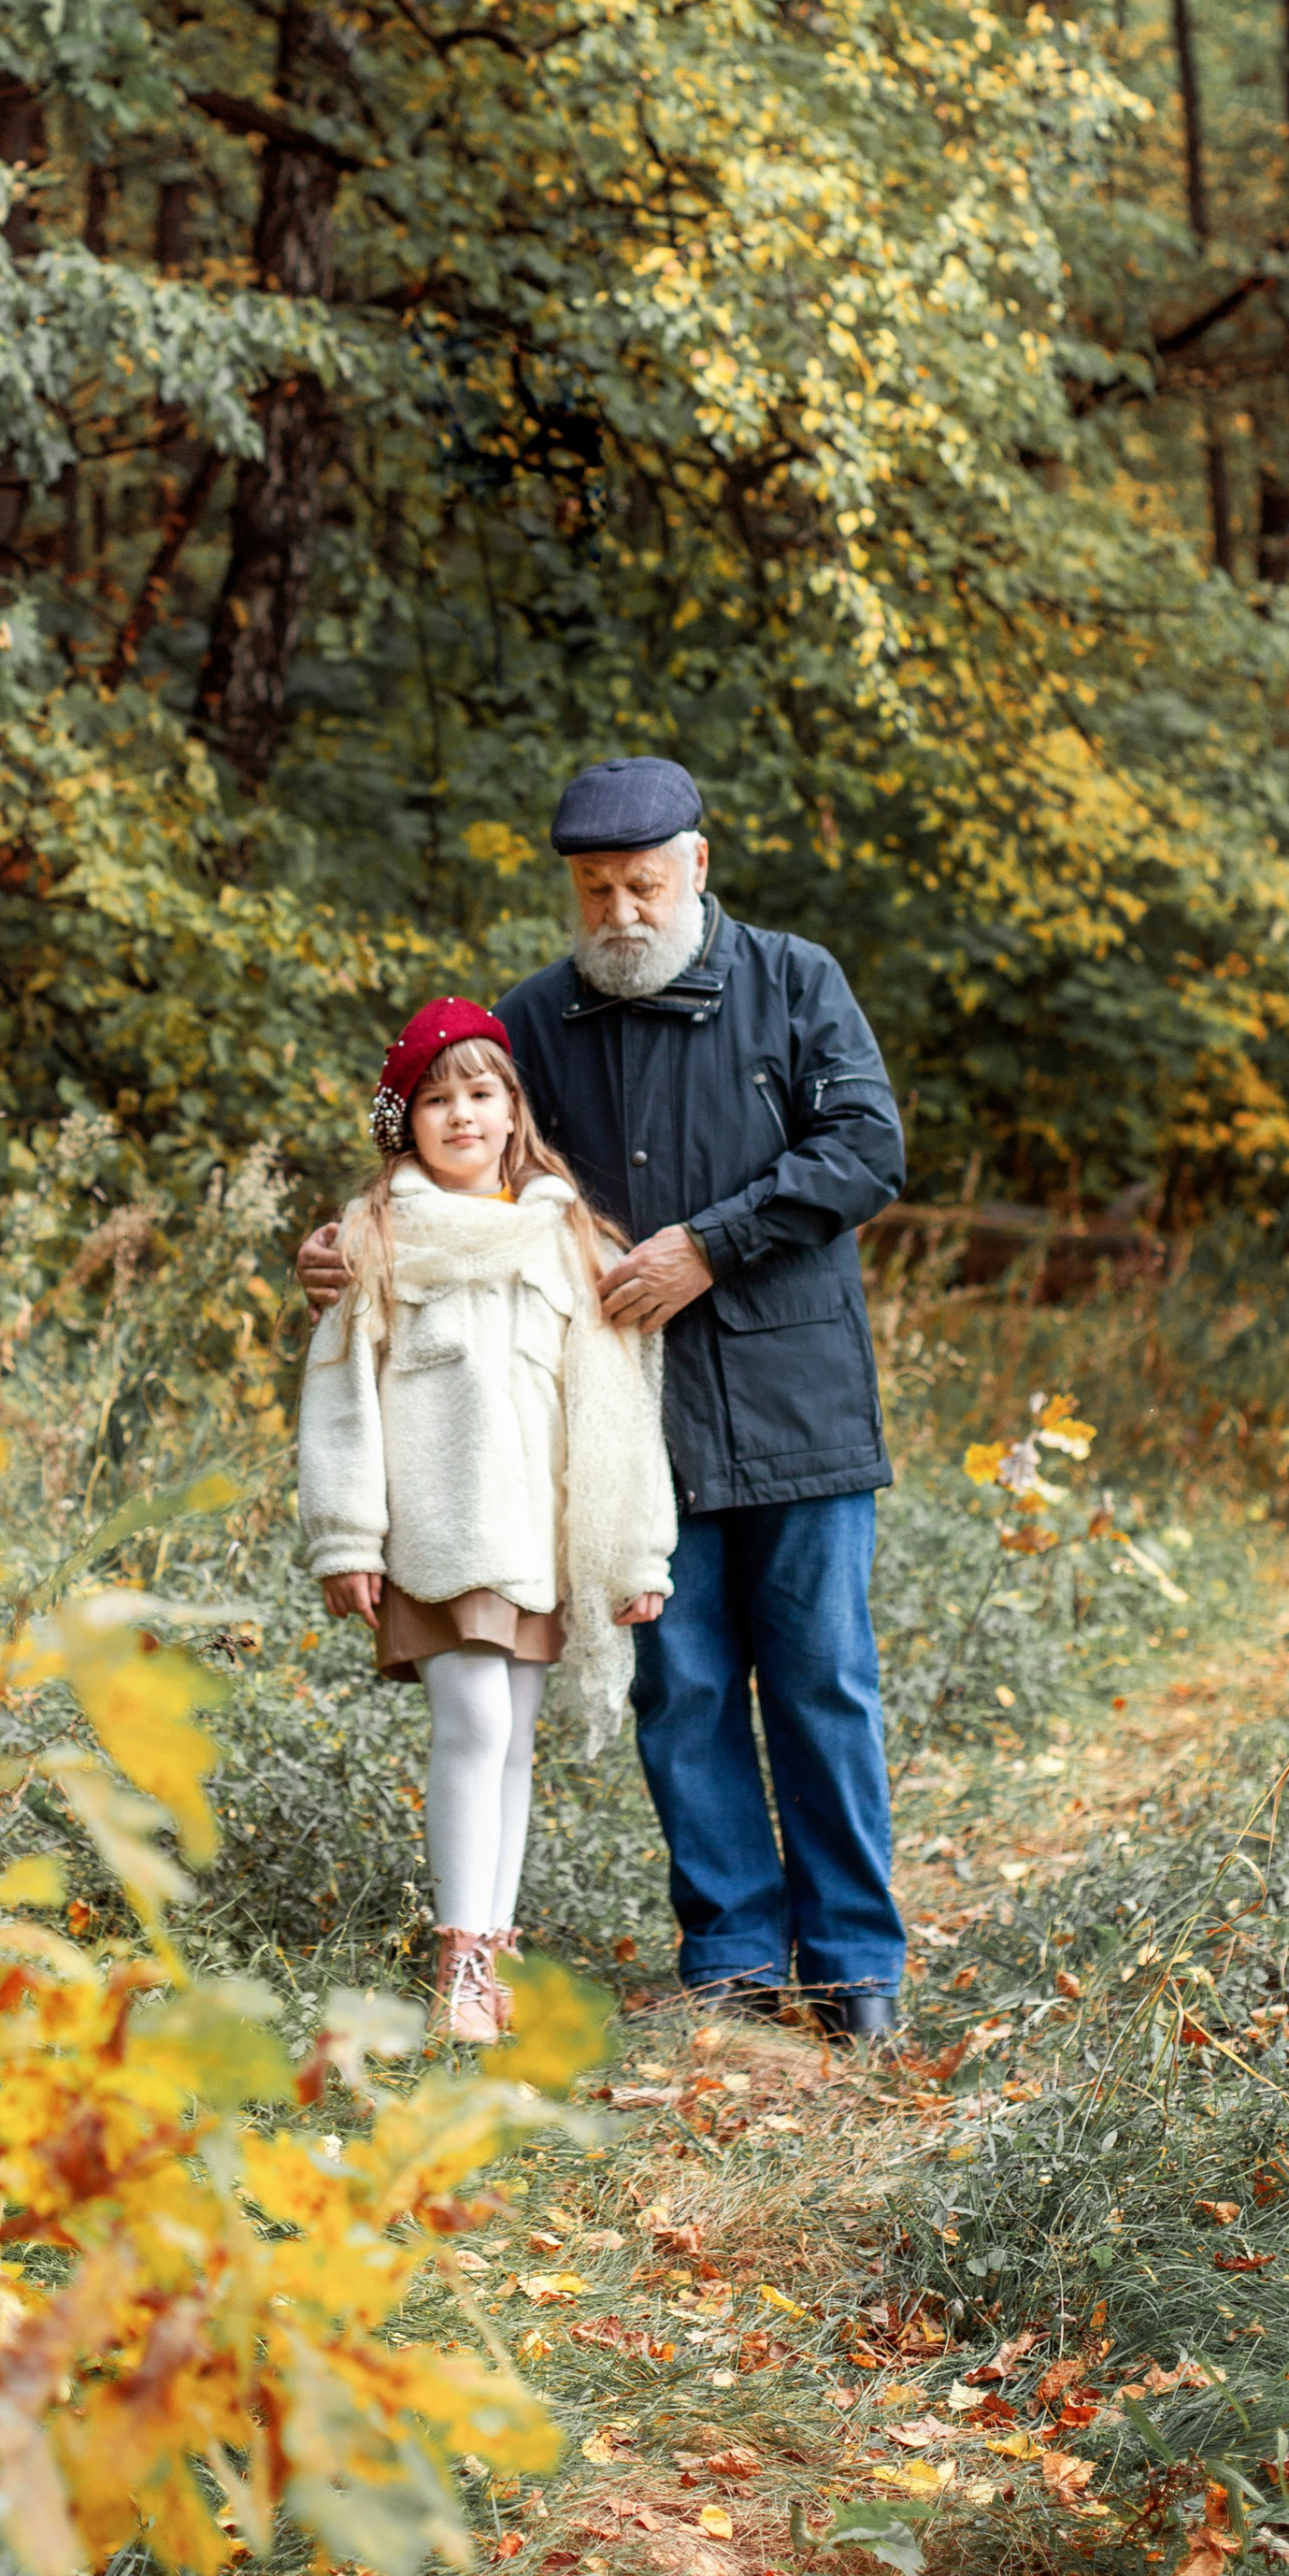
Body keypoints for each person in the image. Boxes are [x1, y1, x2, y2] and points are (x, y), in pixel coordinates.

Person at [297, 756, 909, 2037]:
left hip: (797, 1401)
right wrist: (351, 1246)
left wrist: (710, 1242)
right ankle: (734, 1969)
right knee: (678, 1692)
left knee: (823, 1681)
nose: (621, 912)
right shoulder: (533, 1021)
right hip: (621, 1425)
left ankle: (856, 1971)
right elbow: (464, 1151)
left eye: (642, 882)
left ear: (698, 864)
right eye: (595, 889)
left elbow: (866, 1149)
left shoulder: (796, 984)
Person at [295, 995, 677, 2043]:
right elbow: (340, 1398)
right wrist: (345, 1535)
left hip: (536, 1541)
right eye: (435, 1101)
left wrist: (632, 1547)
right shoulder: (375, 1239)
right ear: (402, 1123)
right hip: (438, 1534)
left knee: (512, 1743)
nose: (461, 1116)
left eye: (480, 1093)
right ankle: (457, 1958)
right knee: (473, 1726)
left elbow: (614, 1405)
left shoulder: (564, 1239)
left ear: (514, 1109)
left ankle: (493, 1950)